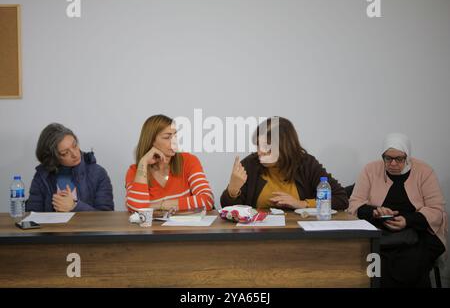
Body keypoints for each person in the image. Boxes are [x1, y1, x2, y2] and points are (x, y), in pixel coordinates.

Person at [348, 133, 447, 287]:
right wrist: (375, 212)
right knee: (374, 260)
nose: (393, 163)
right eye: (388, 158)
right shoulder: (370, 170)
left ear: (407, 157)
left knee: (411, 262)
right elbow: (354, 205)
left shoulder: (424, 171)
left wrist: (407, 221)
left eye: (399, 159)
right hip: (379, 233)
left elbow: (436, 210)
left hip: (418, 232)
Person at [220, 117, 348, 211]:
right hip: (258, 234)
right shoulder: (251, 164)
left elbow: (341, 199)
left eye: (266, 147)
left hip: (301, 235)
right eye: (258, 146)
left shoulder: (307, 164)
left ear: (284, 148)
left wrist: (301, 204)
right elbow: (228, 210)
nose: (259, 152)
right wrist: (232, 190)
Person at [125, 115, 214, 212]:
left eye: (175, 136)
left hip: (186, 226)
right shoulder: (135, 171)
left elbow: (207, 200)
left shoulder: (189, 160)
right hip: (154, 227)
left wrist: (160, 205)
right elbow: (136, 208)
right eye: (167, 137)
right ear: (151, 141)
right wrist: (143, 162)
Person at [27, 123, 114, 212]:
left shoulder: (98, 174)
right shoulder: (42, 176)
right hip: (51, 227)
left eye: (75, 145)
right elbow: (32, 214)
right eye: (65, 153)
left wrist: (74, 206)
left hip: (86, 226)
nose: (75, 154)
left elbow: (106, 216)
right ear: (53, 158)